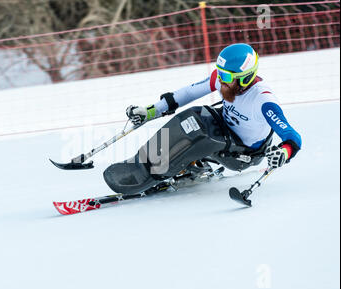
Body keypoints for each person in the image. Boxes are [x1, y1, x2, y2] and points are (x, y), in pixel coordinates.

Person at [104, 43, 302, 194]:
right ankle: (144, 162)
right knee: (191, 117)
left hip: (245, 153)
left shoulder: (263, 100)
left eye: (226, 77)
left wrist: (285, 152)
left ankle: (152, 176)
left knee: (200, 136)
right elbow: (187, 94)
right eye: (220, 74)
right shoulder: (225, 80)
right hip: (225, 127)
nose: (220, 80)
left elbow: (292, 135)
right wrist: (151, 110)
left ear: (245, 78)